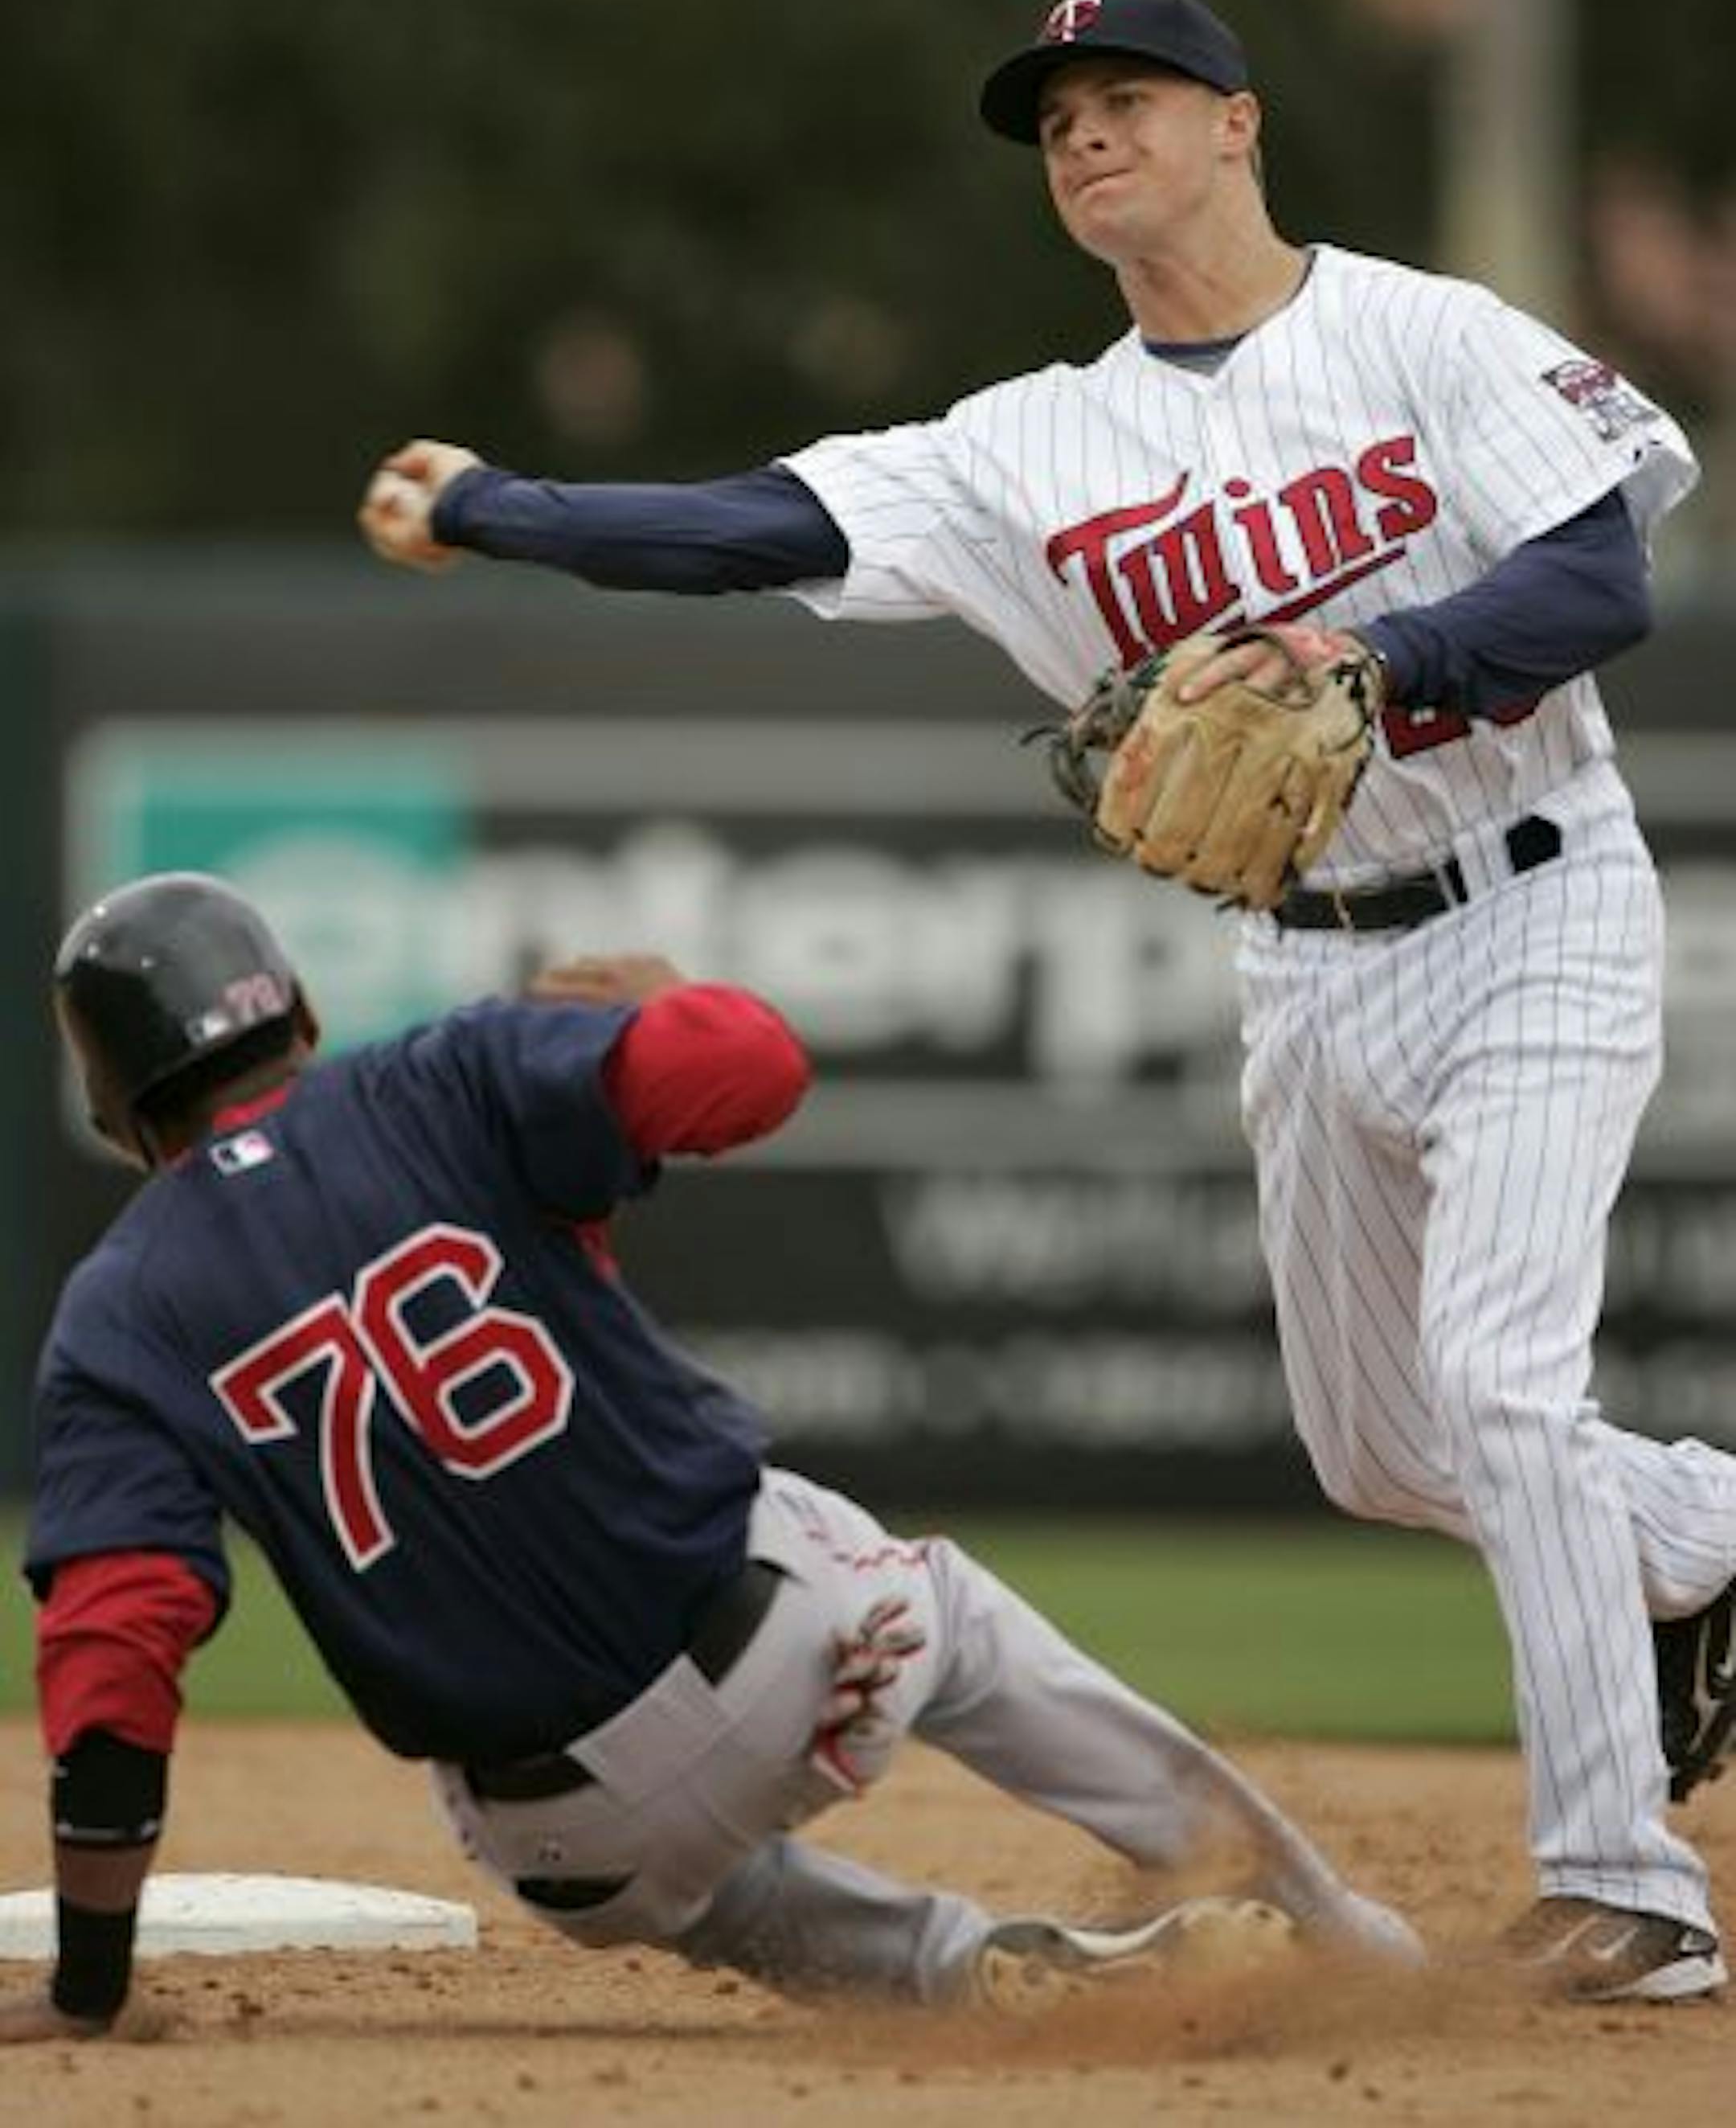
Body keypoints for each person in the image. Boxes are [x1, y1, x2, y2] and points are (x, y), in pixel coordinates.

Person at [357, 0, 1736, 2003]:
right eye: (1060, 118)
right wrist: (503, 508)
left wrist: (1383, 665)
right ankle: (1703, 1535)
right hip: (1306, 954)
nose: (1087, 137)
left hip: (1539, 900)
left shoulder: (1428, 331)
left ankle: (1630, 1889)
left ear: (1239, 126)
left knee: (1504, 1382)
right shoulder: (1031, 444)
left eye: (1129, 99)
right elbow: (761, 527)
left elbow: (1598, 573)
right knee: (1382, 1445)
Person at [1, 871, 1417, 2044]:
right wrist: (657, 1020)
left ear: (120, 1111)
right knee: (956, 1619)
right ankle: (1332, 1930)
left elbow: (114, 1655)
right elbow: (751, 1069)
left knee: (708, 1896)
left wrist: (92, 1986)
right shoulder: (439, 1076)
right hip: (811, 1653)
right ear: (296, 1006)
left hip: (582, 1838)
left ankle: (949, 1964)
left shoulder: (115, 1316)